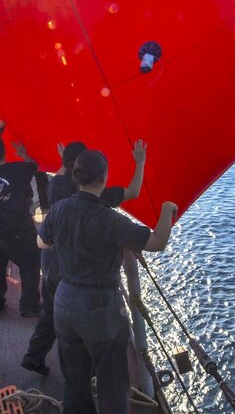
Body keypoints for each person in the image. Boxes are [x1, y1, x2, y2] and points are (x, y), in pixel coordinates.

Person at [38, 149, 175, 414]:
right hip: (99, 307)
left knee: (74, 377)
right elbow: (157, 242)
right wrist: (167, 209)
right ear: (104, 178)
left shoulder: (59, 210)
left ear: (75, 175)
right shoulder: (109, 218)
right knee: (113, 379)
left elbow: (42, 241)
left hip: (64, 300)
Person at [21, 139, 146, 375]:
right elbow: (134, 191)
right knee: (85, 320)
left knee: (51, 311)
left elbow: (63, 171)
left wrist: (64, 158)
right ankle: (90, 372)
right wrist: (140, 162)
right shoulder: (98, 194)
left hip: (50, 260)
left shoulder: (56, 184)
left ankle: (34, 355)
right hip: (73, 265)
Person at [0, 134, 41, 318]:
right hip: (16, 229)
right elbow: (35, 165)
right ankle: (29, 306)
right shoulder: (18, 169)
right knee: (29, 264)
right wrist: (22, 153)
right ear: (4, 151)